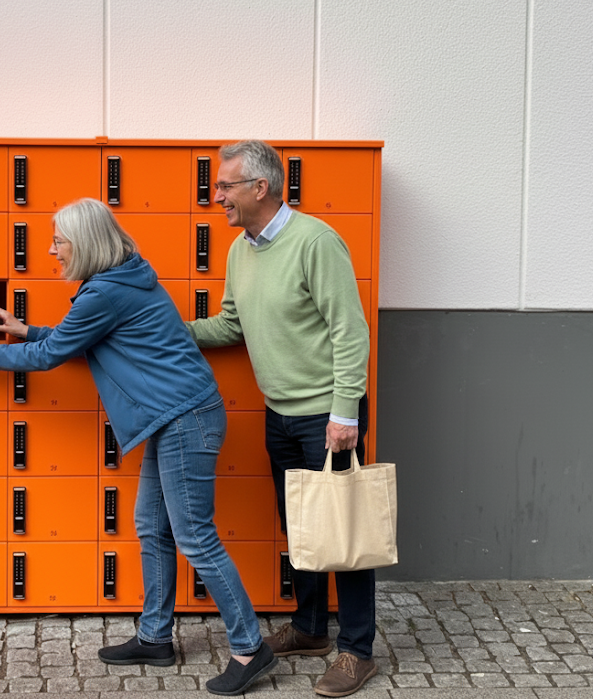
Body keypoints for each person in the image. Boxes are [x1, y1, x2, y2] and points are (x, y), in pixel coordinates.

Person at [0, 197, 275, 696]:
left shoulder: (103, 293)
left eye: (58, 241)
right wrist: (28, 330)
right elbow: (75, 338)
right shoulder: (122, 278)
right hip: (174, 417)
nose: (51, 250)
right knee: (153, 525)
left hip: (184, 419)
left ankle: (250, 646)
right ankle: (154, 637)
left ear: (83, 244)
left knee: (195, 536)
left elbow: (52, 354)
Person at [185, 141, 376, 697]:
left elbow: (349, 330)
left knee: (343, 531)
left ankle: (356, 651)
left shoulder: (314, 241)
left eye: (225, 186)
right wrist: (171, 332)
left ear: (260, 188)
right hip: (281, 412)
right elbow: (229, 325)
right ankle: (313, 629)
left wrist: (345, 412)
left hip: (326, 414)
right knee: (301, 529)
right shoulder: (239, 251)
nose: (215, 195)